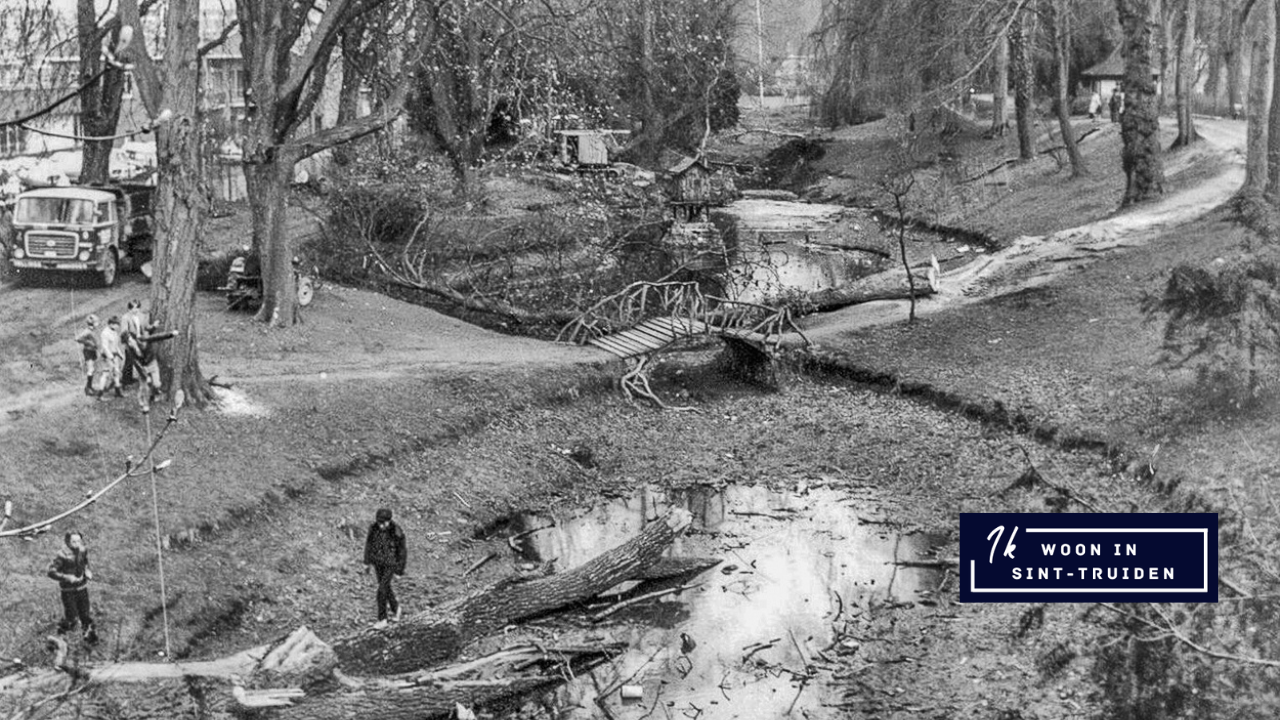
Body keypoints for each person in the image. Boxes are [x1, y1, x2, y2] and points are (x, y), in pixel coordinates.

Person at [48, 530, 98, 643]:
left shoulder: (83, 550)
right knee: (72, 618)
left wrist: (87, 571)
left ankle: (89, 644)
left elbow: (85, 562)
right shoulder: (62, 555)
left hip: (82, 588)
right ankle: (60, 639)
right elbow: (51, 572)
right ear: (67, 542)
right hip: (68, 591)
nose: (76, 544)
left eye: (78, 541)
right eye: (73, 541)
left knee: (86, 616)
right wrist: (67, 577)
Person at [363, 508, 407, 628]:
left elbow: (402, 552)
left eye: (383, 523)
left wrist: (399, 570)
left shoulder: (397, 532)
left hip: (390, 564)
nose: (381, 525)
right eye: (379, 522)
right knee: (386, 588)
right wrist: (367, 562)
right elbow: (369, 544)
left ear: (389, 521)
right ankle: (396, 608)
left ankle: (382, 619)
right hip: (377, 562)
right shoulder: (373, 528)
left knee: (381, 590)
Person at [96, 316, 125, 399]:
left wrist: (120, 354)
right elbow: (105, 347)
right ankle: (100, 394)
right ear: (110, 324)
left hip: (114, 355)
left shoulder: (114, 332)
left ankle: (118, 392)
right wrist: (111, 357)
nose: (117, 326)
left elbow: (115, 345)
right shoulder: (105, 333)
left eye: (118, 325)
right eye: (116, 325)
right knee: (105, 374)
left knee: (116, 373)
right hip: (107, 356)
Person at [121, 301, 147, 387]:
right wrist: (130, 341)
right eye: (133, 308)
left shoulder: (141, 315)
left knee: (140, 358)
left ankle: (134, 377)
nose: (136, 310)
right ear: (129, 309)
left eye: (137, 308)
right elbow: (124, 332)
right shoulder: (125, 318)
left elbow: (143, 327)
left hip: (139, 339)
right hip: (130, 341)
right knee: (129, 360)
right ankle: (125, 379)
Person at [74, 315, 100, 396]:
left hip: (92, 351)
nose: (98, 324)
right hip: (88, 351)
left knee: (93, 369)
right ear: (92, 323)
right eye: (96, 322)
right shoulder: (87, 331)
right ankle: (88, 388)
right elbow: (77, 338)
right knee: (91, 369)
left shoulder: (92, 330)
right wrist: (88, 342)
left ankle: (90, 387)